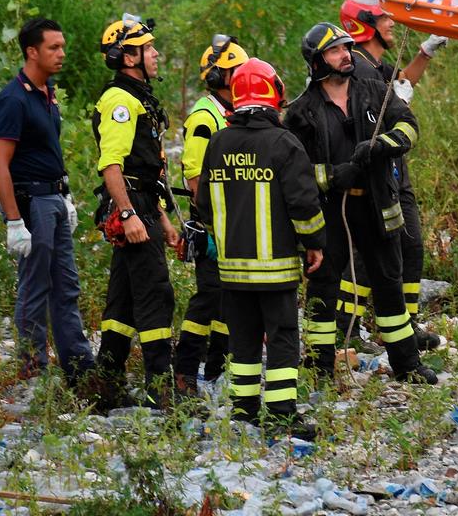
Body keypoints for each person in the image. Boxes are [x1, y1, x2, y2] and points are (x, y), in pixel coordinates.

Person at [284, 23, 437, 385]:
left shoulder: (373, 91)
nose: (346, 55)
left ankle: (407, 364)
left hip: (377, 204)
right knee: (323, 285)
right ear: (317, 61)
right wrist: (335, 175)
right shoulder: (301, 112)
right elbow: (298, 172)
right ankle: (319, 365)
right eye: (336, 50)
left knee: (388, 281)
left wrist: (384, 145)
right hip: (332, 211)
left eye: (347, 48)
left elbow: (409, 126)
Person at [196, 58, 325, 438]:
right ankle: (283, 413)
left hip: (231, 271)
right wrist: (314, 244)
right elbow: (304, 205)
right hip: (276, 269)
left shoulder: (218, 142)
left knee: (244, 339)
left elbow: (203, 206)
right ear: (275, 93)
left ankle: (244, 410)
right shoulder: (283, 143)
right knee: (283, 336)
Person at [0, 17, 97, 385]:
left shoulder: (47, 92)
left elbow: (48, 149)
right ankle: (33, 369)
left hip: (52, 196)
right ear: (31, 51)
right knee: (35, 287)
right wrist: (13, 220)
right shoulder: (13, 99)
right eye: (53, 47)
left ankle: (78, 366)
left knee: (66, 285)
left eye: (62, 46)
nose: (61, 53)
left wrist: (65, 195)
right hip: (31, 201)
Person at [339, 0, 447, 350]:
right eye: (385, 18)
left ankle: (407, 325)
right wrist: (391, 104)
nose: (392, 24)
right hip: (374, 176)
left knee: (411, 246)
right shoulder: (354, 68)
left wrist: (425, 53)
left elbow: (401, 82)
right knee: (367, 255)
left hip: (397, 171)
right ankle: (348, 330)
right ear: (364, 24)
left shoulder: (376, 65)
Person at [91, 15, 180, 410]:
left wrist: (161, 218)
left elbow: (147, 171)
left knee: (123, 301)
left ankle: (105, 383)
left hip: (143, 203)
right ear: (128, 57)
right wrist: (128, 216)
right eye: (147, 48)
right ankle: (161, 388)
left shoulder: (140, 97)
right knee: (156, 294)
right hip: (129, 205)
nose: (155, 53)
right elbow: (112, 165)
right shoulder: (120, 101)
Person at [171, 34, 250, 397]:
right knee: (208, 297)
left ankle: (219, 367)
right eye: (237, 72)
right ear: (219, 77)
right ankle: (185, 370)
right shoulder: (206, 116)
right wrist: (214, 224)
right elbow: (194, 176)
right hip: (213, 223)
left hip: (232, 221)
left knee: (228, 299)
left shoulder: (234, 112)